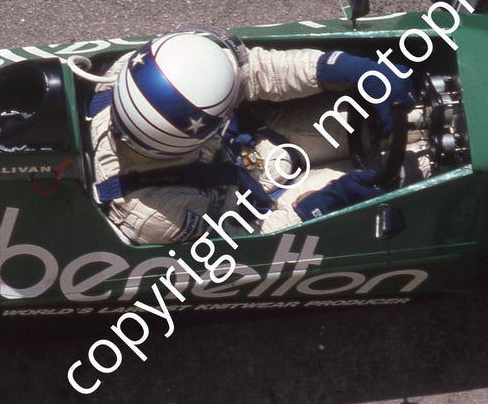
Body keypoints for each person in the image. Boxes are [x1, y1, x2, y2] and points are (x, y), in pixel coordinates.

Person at [85, 30, 412, 245]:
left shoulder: (135, 68)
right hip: (261, 206)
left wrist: (339, 67)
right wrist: (321, 205)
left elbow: (253, 70)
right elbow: (236, 246)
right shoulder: (157, 217)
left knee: (401, 115)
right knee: (407, 176)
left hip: (260, 137)